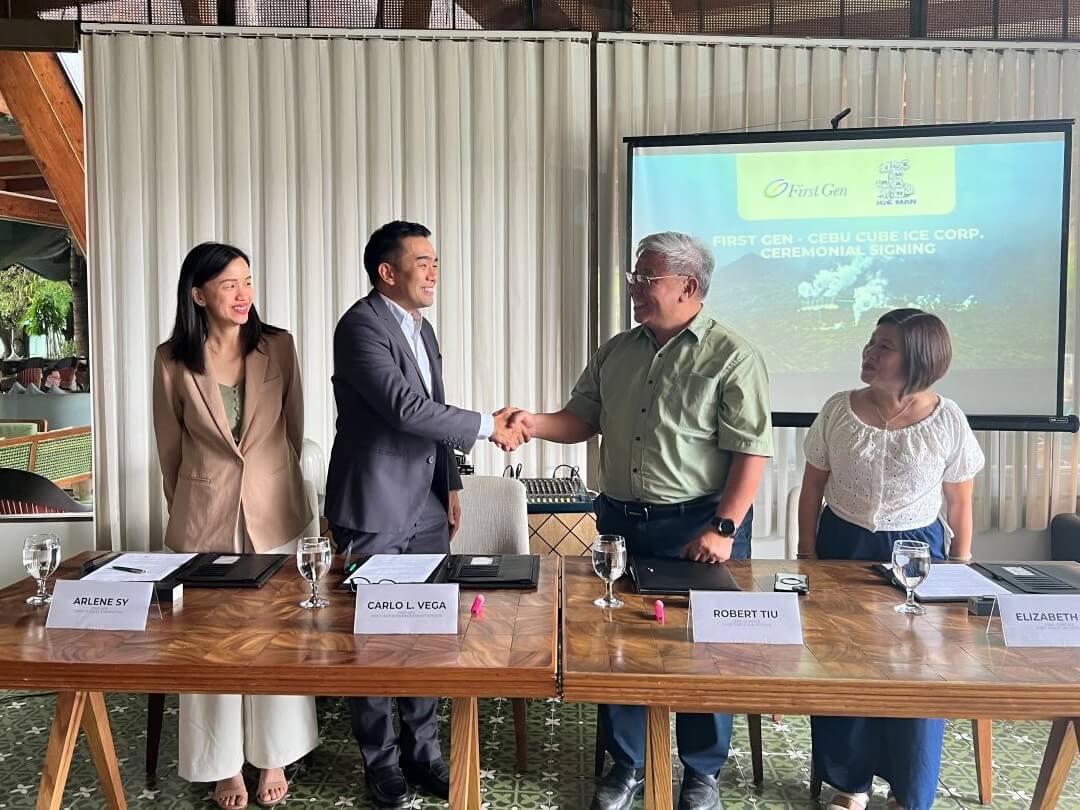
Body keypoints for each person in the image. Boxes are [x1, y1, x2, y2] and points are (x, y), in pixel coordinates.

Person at [508, 231, 773, 810]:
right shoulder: (617, 350)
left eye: (645, 277)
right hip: (619, 522)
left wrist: (723, 529)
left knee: (704, 649)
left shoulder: (732, 356)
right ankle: (624, 767)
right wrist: (529, 422)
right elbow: (579, 420)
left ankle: (702, 772)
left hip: (698, 522)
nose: (633, 287)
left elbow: (751, 452)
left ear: (689, 287)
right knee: (616, 645)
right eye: (634, 275)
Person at [325, 220, 525, 808]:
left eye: (436, 260)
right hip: (375, 505)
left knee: (425, 628)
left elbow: (432, 413)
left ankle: (424, 753)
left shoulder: (423, 328)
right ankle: (381, 761)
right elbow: (404, 408)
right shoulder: (360, 326)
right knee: (375, 635)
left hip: (428, 507)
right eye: (423, 261)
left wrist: (452, 483)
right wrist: (490, 427)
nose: (434, 271)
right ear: (387, 272)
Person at [797, 308, 984, 810]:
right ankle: (848, 784)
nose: (870, 352)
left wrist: (960, 567)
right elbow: (812, 487)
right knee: (842, 663)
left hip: (918, 552)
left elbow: (960, 501)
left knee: (919, 670)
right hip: (843, 542)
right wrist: (807, 554)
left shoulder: (947, 418)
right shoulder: (838, 408)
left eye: (884, 346)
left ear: (918, 360)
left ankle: (909, 790)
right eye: (870, 342)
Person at [153, 242, 318, 809]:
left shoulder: (278, 347)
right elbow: (169, 448)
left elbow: (294, 431)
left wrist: (287, 492)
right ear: (198, 294)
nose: (243, 294)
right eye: (229, 284)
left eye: (247, 281)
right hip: (204, 515)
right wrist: (191, 506)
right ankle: (222, 765)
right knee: (209, 645)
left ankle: (273, 753)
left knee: (276, 636)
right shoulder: (172, 359)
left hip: (275, 511)